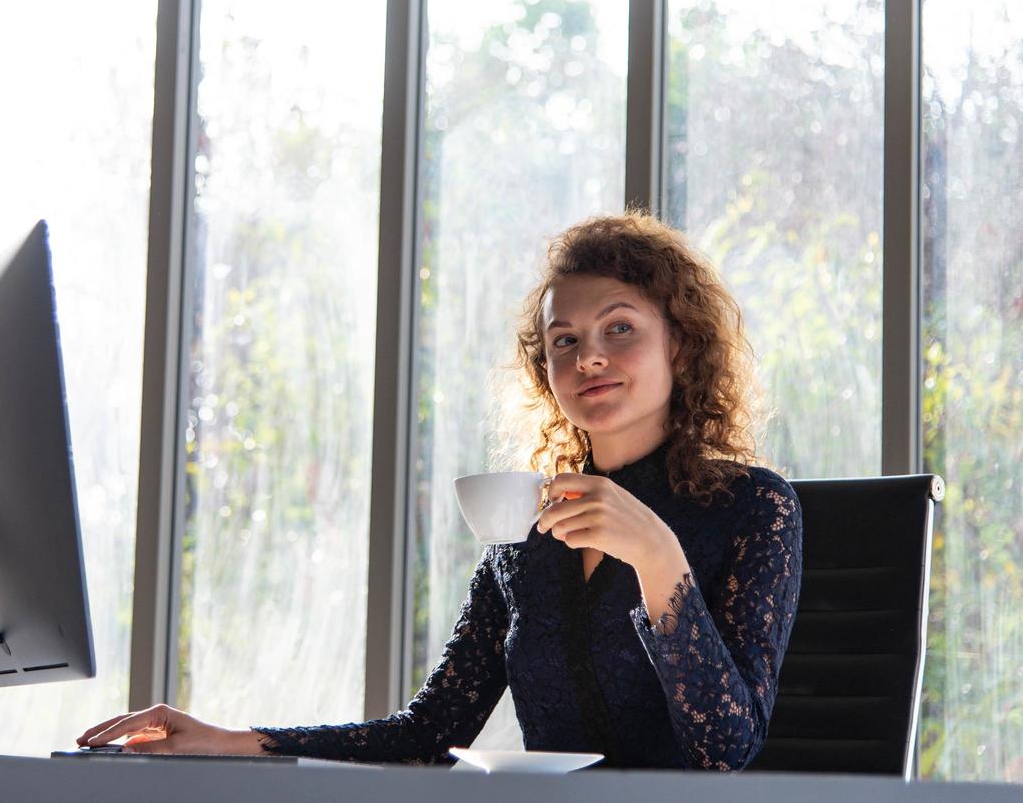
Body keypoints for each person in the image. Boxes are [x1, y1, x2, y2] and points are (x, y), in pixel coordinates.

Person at [78, 210, 804, 770]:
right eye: (564, 340)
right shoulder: (524, 527)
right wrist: (230, 740)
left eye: (619, 328)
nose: (589, 356)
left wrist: (657, 558)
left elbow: (724, 749)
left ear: (678, 343)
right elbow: (428, 734)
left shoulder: (754, 508)